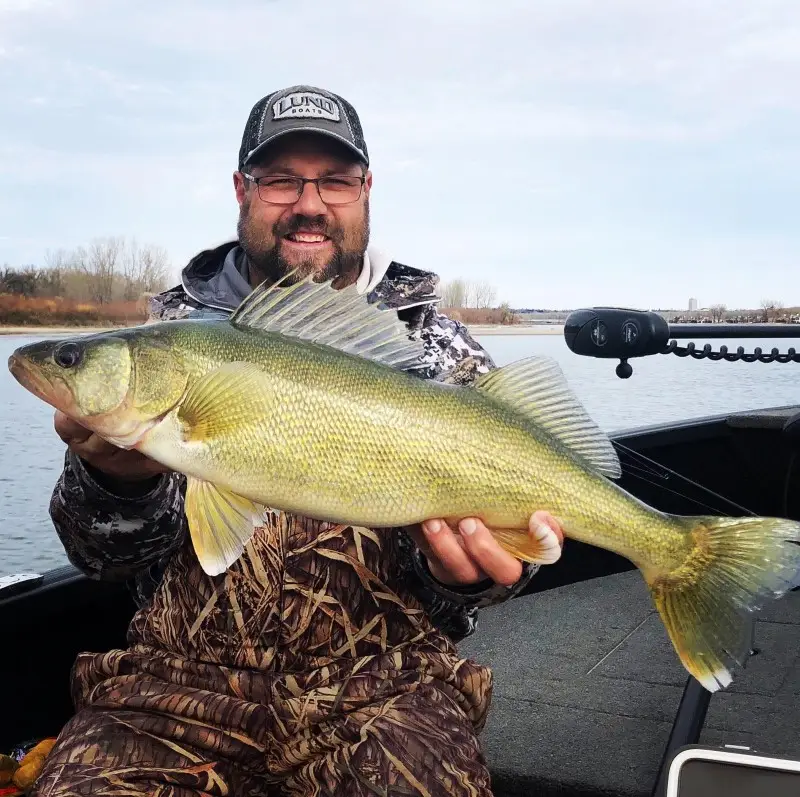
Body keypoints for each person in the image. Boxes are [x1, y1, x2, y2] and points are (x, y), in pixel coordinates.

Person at [34, 85, 564, 797]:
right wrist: (116, 482)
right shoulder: (167, 343)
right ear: (242, 190)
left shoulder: (440, 353)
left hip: (385, 697)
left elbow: (499, 575)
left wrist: (455, 572)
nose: (309, 203)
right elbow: (102, 558)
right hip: (165, 695)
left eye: (335, 180)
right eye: (281, 178)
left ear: (366, 189)